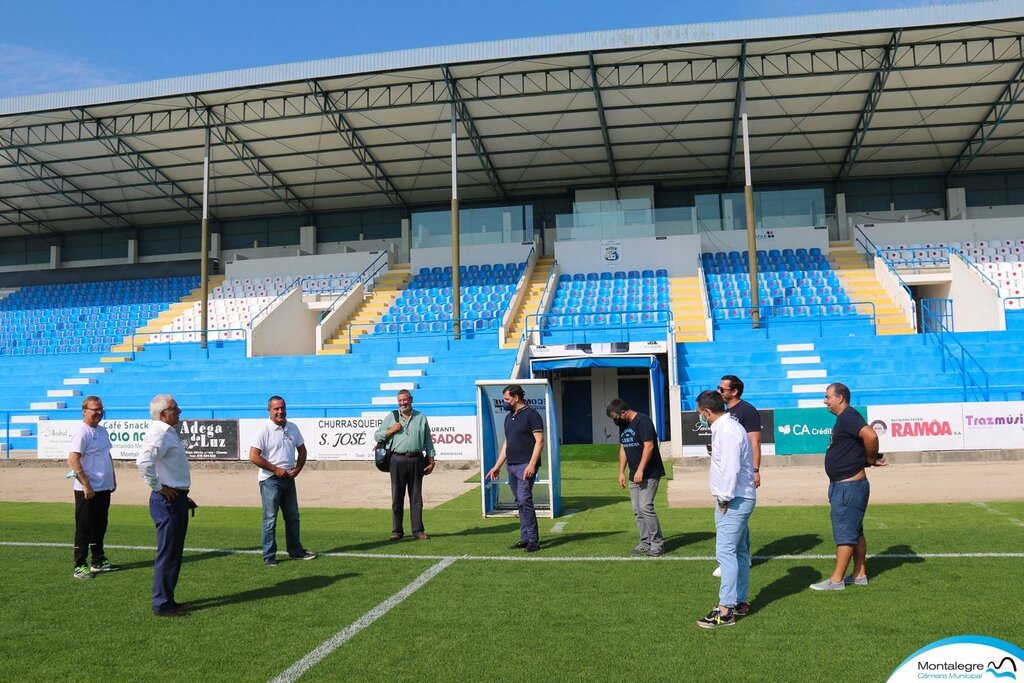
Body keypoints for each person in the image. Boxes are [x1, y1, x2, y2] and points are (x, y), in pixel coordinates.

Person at [810, 382, 886, 591]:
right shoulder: (845, 418)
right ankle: (859, 574)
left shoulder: (849, 416)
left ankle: (836, 580)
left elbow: (871, 435)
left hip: (848, 488)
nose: (825, 401)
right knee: (855, 531)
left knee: (845, 532)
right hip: (846, 486)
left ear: (840, 398)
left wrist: (870, 459)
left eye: (827, 397)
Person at [694, 389, 756, 629]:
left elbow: (730, 468)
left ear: (707, 412)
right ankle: (739, 601)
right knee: (739, 552)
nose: (700, 417)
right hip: (740, 497)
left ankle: (726, 610)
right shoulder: (728, 427)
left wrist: (723, 499)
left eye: (700, 413)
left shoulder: (726, 430)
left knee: (726, 554)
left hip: (734, 500)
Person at [137, 394, 192, 617]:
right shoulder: (159, 433)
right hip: (167, 500)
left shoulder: (167, 433)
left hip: (175, 498)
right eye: (174, 408)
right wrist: (159, 487)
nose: (179, 411)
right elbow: (143, 462)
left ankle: (167, 599)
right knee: (168, 553)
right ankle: (162, 604)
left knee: (173, 552)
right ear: (163, 414)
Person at [249, 396, 317, 565]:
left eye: (282, 408)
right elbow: (253, 456)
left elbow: (302, 450)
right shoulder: (263, 430)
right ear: (269, 411)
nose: (280, 411)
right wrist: (275, 469)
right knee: (270, 518)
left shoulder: (292, 427)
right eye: (276, 409)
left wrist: (298, 468)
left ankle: (295, 551)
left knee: (293, 516)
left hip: (288, 478)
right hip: (270, 480)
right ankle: (269, 556)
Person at [712, 374, 763, 578]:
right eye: (718, 388)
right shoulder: (725, 412)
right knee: (737, 518)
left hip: (741, 476)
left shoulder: (747, 411)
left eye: (722, 389)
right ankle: (742, 555)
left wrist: (756, 470)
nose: (718, 392)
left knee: (735, 515)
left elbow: (754, 442)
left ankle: (732, 560)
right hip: (730, 471)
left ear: (734, 391)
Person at [486, 384, 544, 552]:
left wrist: (532, 464)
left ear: (516, 398)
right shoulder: (508, 417)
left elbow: (539, 441)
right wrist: (497, 466)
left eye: (506, 399)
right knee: (519, 501)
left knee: (525, 499)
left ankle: (534, 539)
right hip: (511, 465)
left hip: (526, 465)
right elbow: (507, 443)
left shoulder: (532, 415)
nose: (504, 402)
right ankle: (525, 538)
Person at [68, 396, 120, 580]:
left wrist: (112, 478)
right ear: (84, 411)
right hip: (87, 490)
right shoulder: (82, 432)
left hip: (104, 488)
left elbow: (107, 455)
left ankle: (98, 560)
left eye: (100, 409)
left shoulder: (102, 431)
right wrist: (86, 484)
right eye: (94, 409)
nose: (99, 412)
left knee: (100, 525)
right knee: (84, 527)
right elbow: (72, 460)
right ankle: (80, 565)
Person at [373, 389, 436, 541]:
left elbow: (428, 440)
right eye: (400, 400)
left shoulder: (421, 417)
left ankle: (418, 530)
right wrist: (390, 431)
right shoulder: (392, 417)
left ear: (411, 399)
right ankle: (397, 531)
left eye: (405, 400)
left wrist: (431, 460)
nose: (403, 403)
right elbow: (377, 435)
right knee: (397, 497)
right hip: (397, 460)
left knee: (416, 498)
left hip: (416, 460)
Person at [606, 398, 665, 557]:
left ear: (623, 412)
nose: (615, 421)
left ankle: (657, 544)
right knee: (637, 510)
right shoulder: (623, 425)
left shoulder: (643, 421)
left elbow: (649, 446)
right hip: (634, 474)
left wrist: (640, 470)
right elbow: (623, 449)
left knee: (646, 507)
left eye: (616, 418)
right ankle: (645, 543)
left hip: (650, 473)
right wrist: (621, 472)